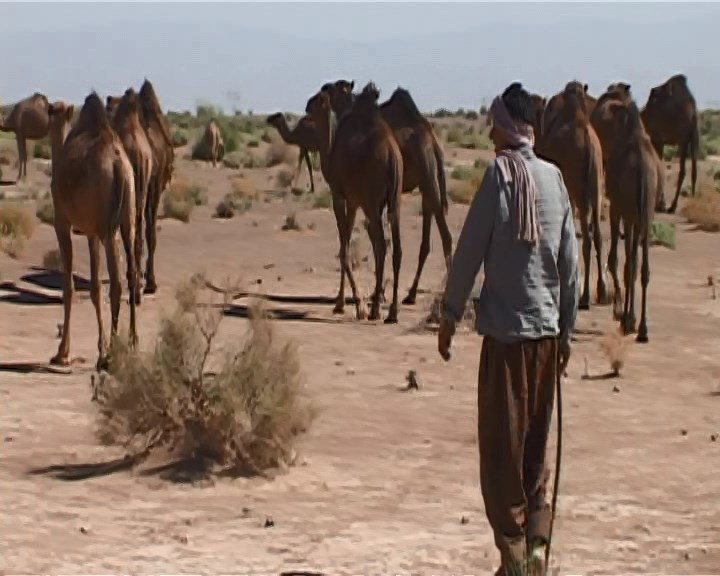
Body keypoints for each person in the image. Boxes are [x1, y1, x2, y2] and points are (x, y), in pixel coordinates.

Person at [437, 82, 579, 576]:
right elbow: (570, 265)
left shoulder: (499, 177)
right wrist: (566, 333)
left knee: (501, 453)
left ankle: (517, 557)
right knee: (536, 449)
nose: (491, 133)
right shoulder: (555, 180)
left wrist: (450, 314)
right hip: (544, 339)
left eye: (495, 124)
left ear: (508, 127)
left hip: (505, 342)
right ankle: (536, 546)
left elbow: (469, 251)